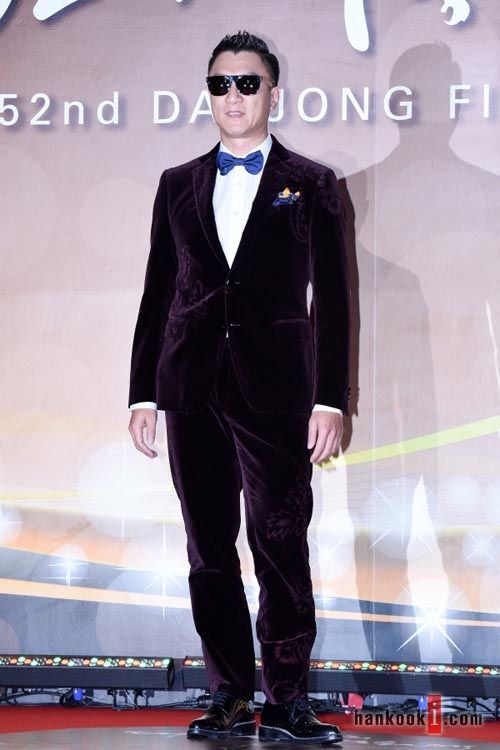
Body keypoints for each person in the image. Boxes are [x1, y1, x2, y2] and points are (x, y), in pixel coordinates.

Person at [128, 31, 349, 745]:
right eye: (220, 83)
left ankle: (286, 700)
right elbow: (158, 291)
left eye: (247, 83)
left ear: (273, 93)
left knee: (280, 545)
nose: (232, 95)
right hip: (190, 388)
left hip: (278, 392)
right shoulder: (177, 183)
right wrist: (141, 393)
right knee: (208, 552)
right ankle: (227, 693)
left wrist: (331, 398)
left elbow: (335, 299)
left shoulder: (311, 182)